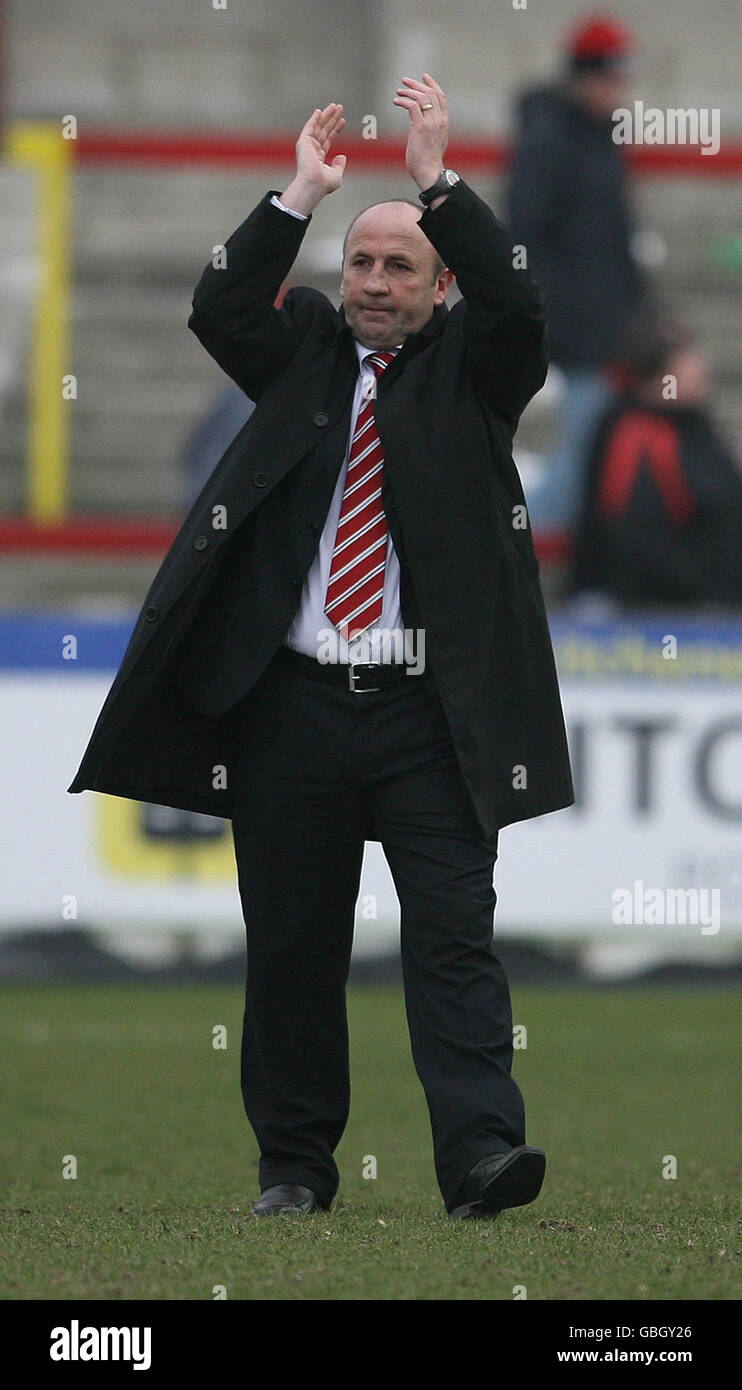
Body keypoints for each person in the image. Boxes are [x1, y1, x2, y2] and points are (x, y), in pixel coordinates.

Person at [68, 77, 574, 1220]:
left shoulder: (474, 374)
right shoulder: (299, 353)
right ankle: (293, 1168)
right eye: (362, 265)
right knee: (292, 951)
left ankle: (479, 1158)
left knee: (453, 938)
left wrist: (438, 180)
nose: (377, 284)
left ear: (439, 286)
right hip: (290, 706)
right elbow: (220, 300)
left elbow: (522, 309)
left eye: (402, 267)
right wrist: (301, 192)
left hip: (427, 712)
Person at [507, 12, 649, 532]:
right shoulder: (549, 138)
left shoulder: (600, 139)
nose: (620, 90)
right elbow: (524, 235)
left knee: (591, 450)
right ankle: (528, 550)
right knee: (581, 452)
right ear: (585, 76)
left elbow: (616, 237)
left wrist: (638, 312)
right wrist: (549, 323)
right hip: (574, 333)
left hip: (605, 328)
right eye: (612, 78)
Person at [570, 313, 742, 606]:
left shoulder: (691, 424)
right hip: (661, 608)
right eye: (686, 362)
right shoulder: (633, 432)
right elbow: (630, 529)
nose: (701, 368)